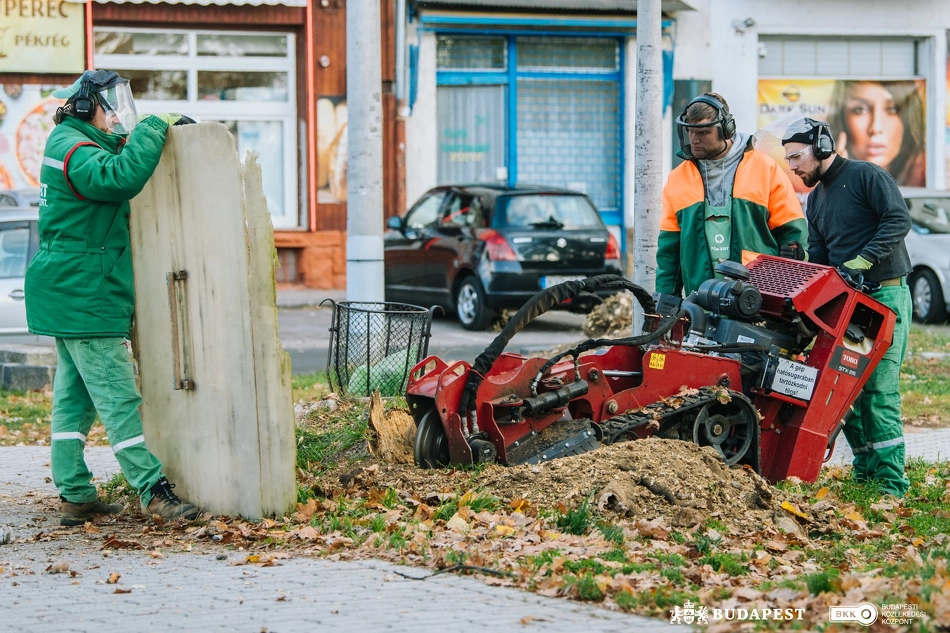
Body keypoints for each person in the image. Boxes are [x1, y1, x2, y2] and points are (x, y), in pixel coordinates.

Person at [24, 69, 201, 525]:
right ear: (85, 107)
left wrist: (141, 133)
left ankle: (76, 494)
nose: (116, 116)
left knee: (74, 400)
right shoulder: (74, 149)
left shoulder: (71, 142)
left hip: (70, 290)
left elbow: (112, 153)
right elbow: (119, 177)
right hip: (86, 293)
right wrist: (154, 126)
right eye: (110, 107)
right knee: (119, 400)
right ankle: (154, 491)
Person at [782, 117, 913, 498]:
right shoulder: (816, 198)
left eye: (796, 157)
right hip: (849, 305)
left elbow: (898, 219)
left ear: (821, 147)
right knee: (845, 390)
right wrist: (803, 266)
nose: (792, 166)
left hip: (883, 297)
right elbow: (822, 255)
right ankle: (866, 471)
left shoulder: (866, 176)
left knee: (878, 392)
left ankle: (891, 482)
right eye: (788, 160)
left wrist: (864, 259)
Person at [657, 93, 808, 296]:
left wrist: (791, 296)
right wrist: (665, 303)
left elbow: (793, 236)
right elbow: (669, 254)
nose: (694, 140)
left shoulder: (765, 169)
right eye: (690, 131)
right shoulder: (677, 179)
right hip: (700, 301)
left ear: (726, 130)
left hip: (758, 299)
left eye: (703, 132)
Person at [829, 80, 926, 187]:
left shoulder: (929, 176)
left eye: (892, 109)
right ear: (842, 119)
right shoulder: (819, 184)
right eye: (861, 109)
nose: (876, 128)